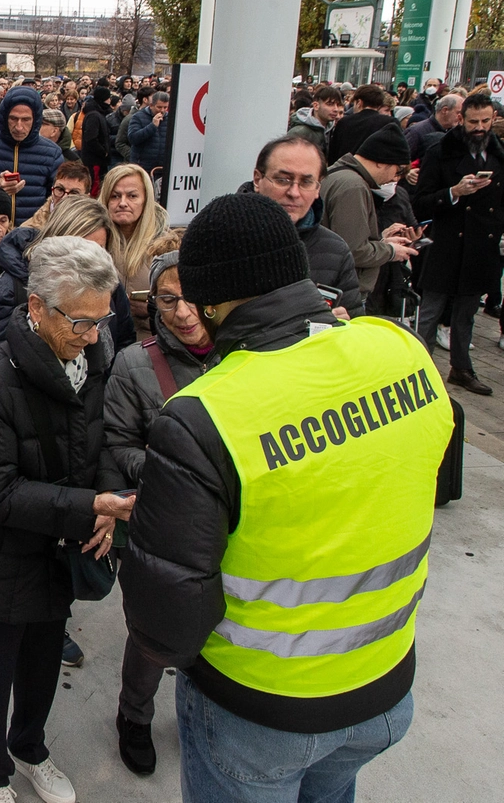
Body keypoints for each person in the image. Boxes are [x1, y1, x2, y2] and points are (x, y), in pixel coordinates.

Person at [121, 194, 451, 803]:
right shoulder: (398, 347)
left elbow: (165, 619)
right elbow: (425, 473)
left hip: (261, 710)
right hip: (385, 686)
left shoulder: (205, 414)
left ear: (210, 301)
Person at [0, 236, 133, 803]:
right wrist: (88, 509)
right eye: (80, 322)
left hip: (55, 556)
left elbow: (101, 441)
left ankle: (29, 748)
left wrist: (104, 495)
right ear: (36, 307)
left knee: (43, 668)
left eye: (102, 321)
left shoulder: (94, 355)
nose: (94, 336)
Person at [100, 233, 214, 777]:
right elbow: (118, 444)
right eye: (167, 299)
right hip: (163, 521)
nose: (184, 312)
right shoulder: (134, 365)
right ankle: (134, 716)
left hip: (230, 523)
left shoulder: (245, 352)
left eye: (193, 296)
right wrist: (171, 470)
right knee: (154, 632)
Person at [414, 92, 503, 395]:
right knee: (431, 311)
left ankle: (461, 369)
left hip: (481, 245)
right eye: (473, 121)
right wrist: (454, 192)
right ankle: (417, 370)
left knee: (466, 313)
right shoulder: (440, 151)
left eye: (485, 121)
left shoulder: (498, 154)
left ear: (493, 120)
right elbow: (421, 203)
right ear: (460, 119)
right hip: (447, 244)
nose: (479, 128)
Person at [0, 197, 137, 355]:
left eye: (98, 249)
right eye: (79, 249)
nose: (90, 260)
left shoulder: (107, 286)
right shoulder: (6, 294)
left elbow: (124, 342)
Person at [245, 135, 365, 317]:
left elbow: (356, 326)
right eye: (282, 180)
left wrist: (343, 328)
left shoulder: (336, 251)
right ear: (257, 179)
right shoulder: (219, 236)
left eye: (306, 182)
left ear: (318, 188)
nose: (294, 192)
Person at [320, 124, 419, 296]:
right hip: (344, 289)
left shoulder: (337, 174)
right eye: (397, 171)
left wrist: (382, 241)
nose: (394, 179)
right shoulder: (353, 186)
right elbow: (353, 251)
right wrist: (391, 251)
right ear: (381, 161)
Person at [0, 86, 65, 223]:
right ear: (5, 117)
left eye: (26, 120)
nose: (19, 127)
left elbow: (59, 201)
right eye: (13, 119)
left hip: (32, 236)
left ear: (36, 120)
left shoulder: (52, 153)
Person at [99, 164, 169, 325]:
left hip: (149, 340)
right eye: (115, 196)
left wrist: (154, 309)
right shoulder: (93, 241)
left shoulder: (165, 246)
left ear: (146, 200)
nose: (123, 203)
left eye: (132, 196)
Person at [328, 84, 401, 162]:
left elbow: (333, 154)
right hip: (377, 170)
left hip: (346, 169)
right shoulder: (390, 123)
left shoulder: (344, 122)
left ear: (359, 102)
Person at [24, 161, 93, 227]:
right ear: (52, 189)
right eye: (60, 189)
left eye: (74, 193)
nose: (64, 198)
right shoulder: (29, 231)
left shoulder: (95, 230)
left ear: (86, 198)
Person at [285, 85, 344, 156]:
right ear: (316, 106)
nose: (336, 109)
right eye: (330, 104)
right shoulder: (299, 132)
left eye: (338, 105)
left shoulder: (332, 129)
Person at [405, 92, 462, 157]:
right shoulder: (416, 132)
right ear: (445, 110)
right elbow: (401, 159)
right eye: (458, 113)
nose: (461, 117)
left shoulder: (455, 133)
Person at [125, 91, 168, 173]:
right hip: (142, 167)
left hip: (162, 168)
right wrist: (152, 126)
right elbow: (133, 138)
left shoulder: (170, 118)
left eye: (165, 107)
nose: (162, 111)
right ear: (151, 105)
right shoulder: (138, 117)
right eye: (159, 107)